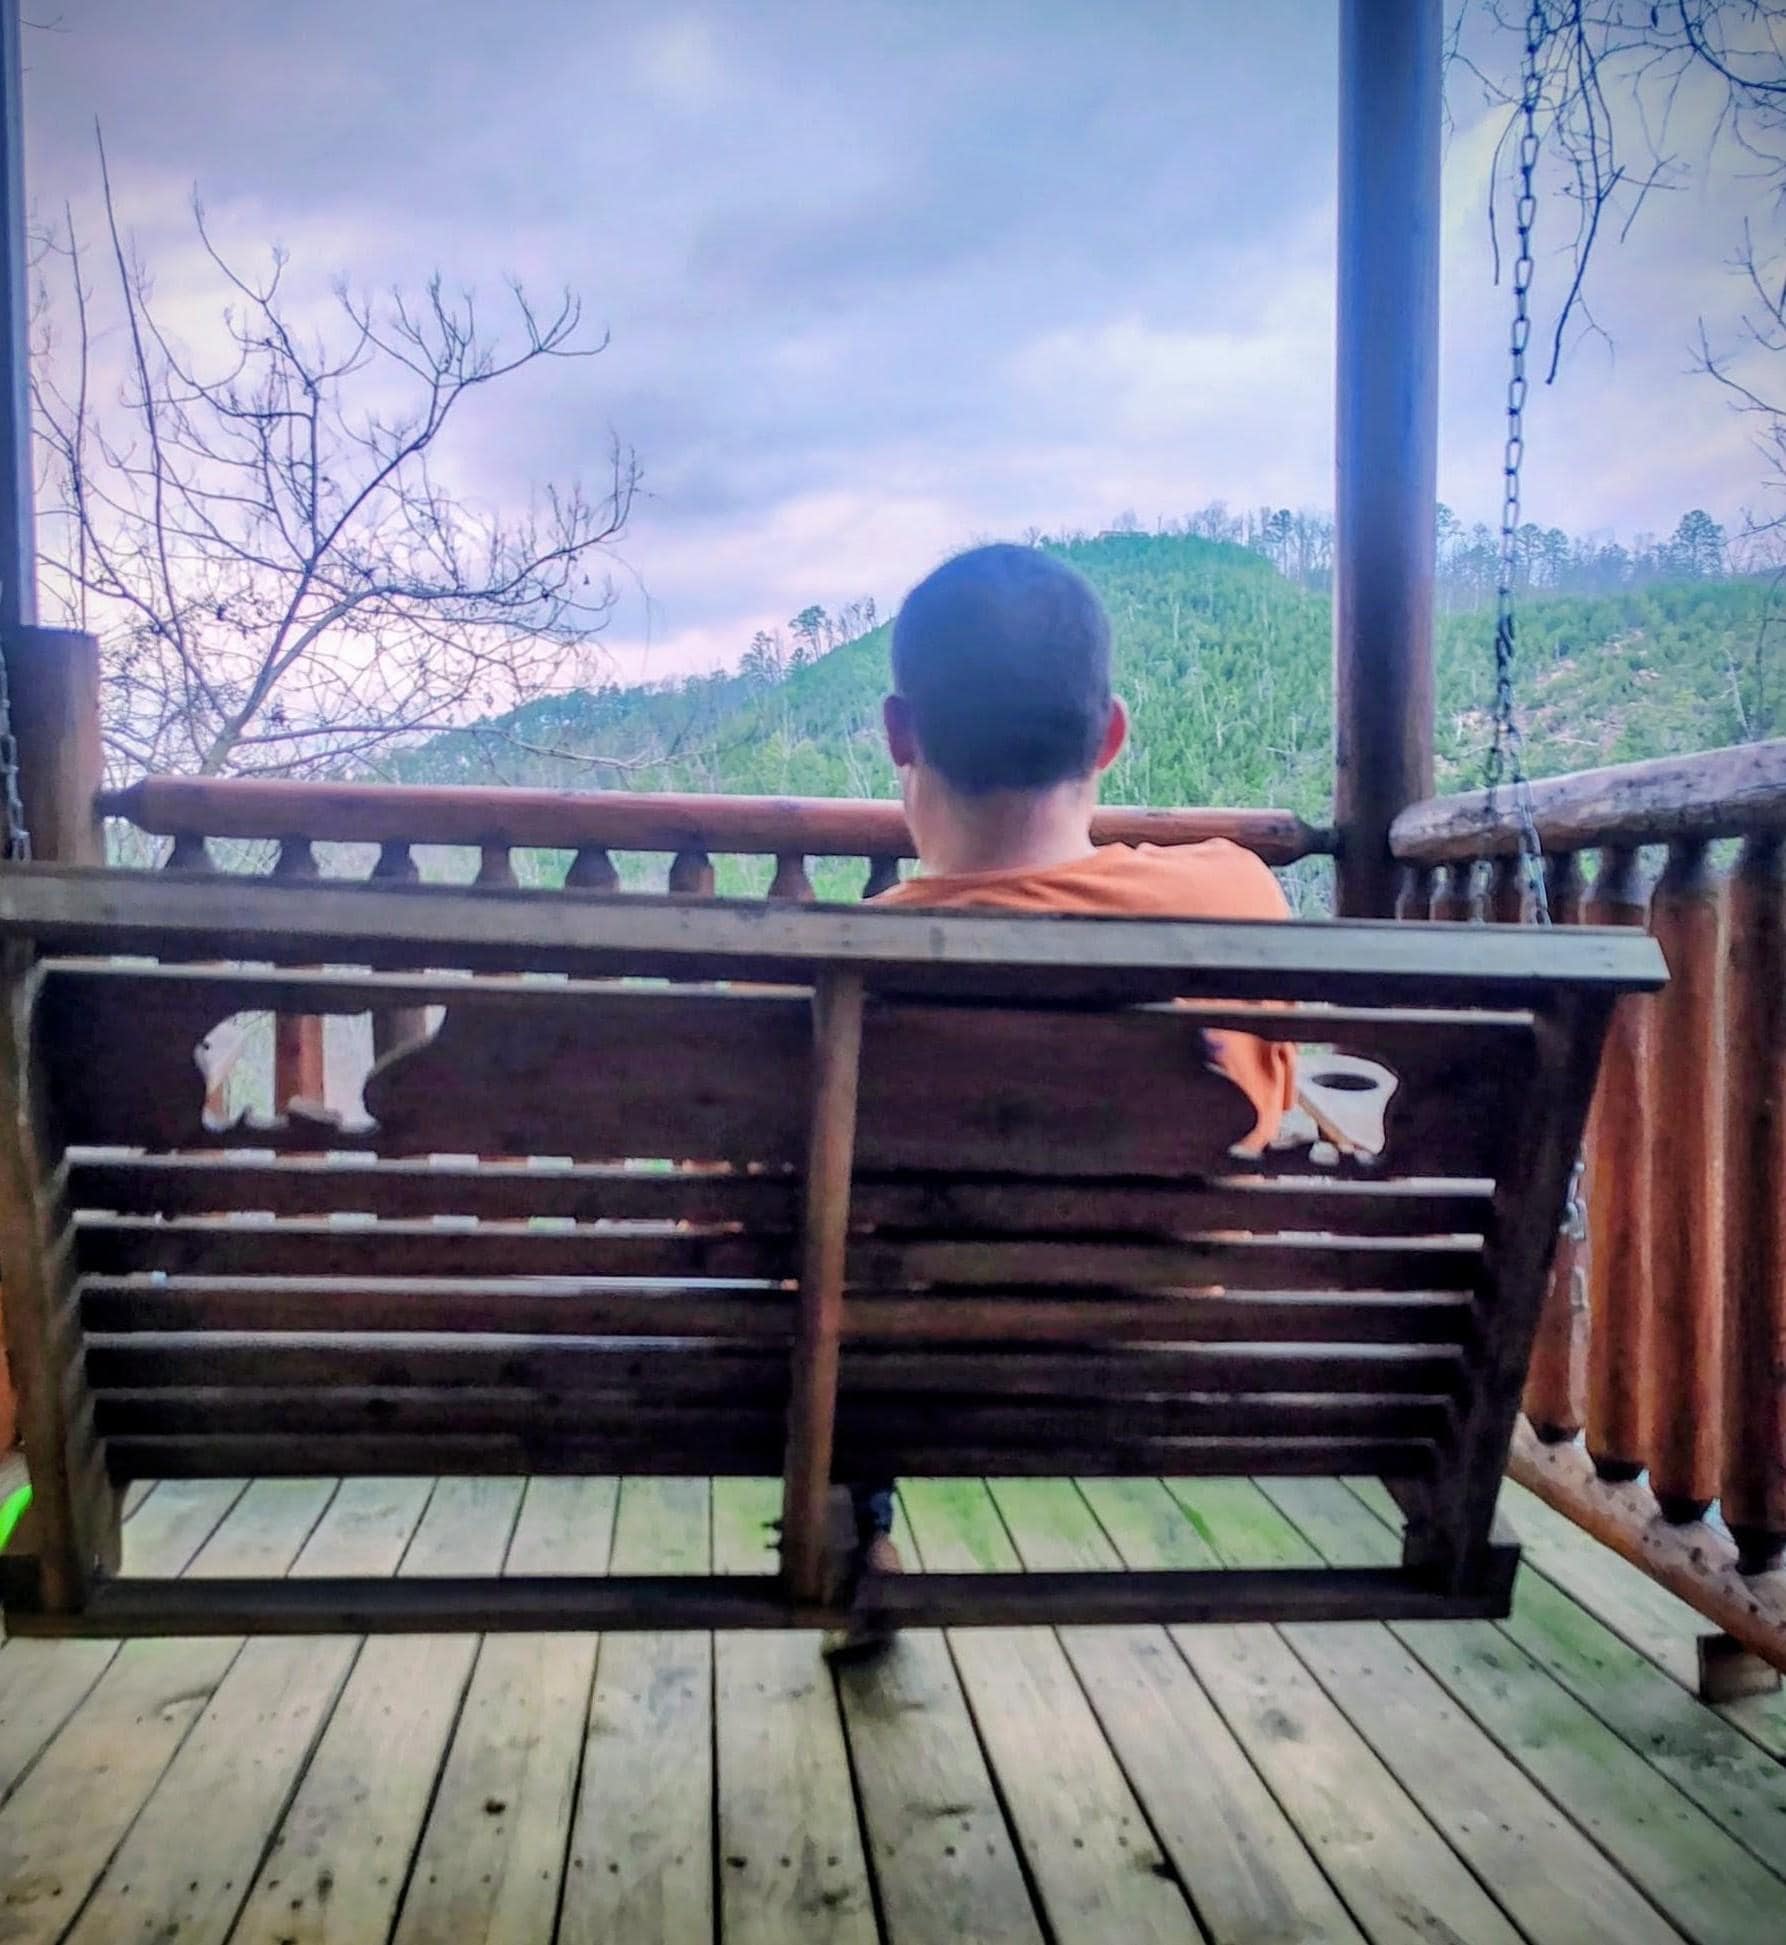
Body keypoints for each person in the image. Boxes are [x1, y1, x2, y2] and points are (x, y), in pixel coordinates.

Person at [828, 541, 1295, 1656]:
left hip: (893, 1359)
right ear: (1111, 734)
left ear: (901, 734)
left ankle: (855, 1538)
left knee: (837, 1273)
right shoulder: (1234, 892)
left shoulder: (831, 968)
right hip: (1158, 1337)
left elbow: (728, 1210)